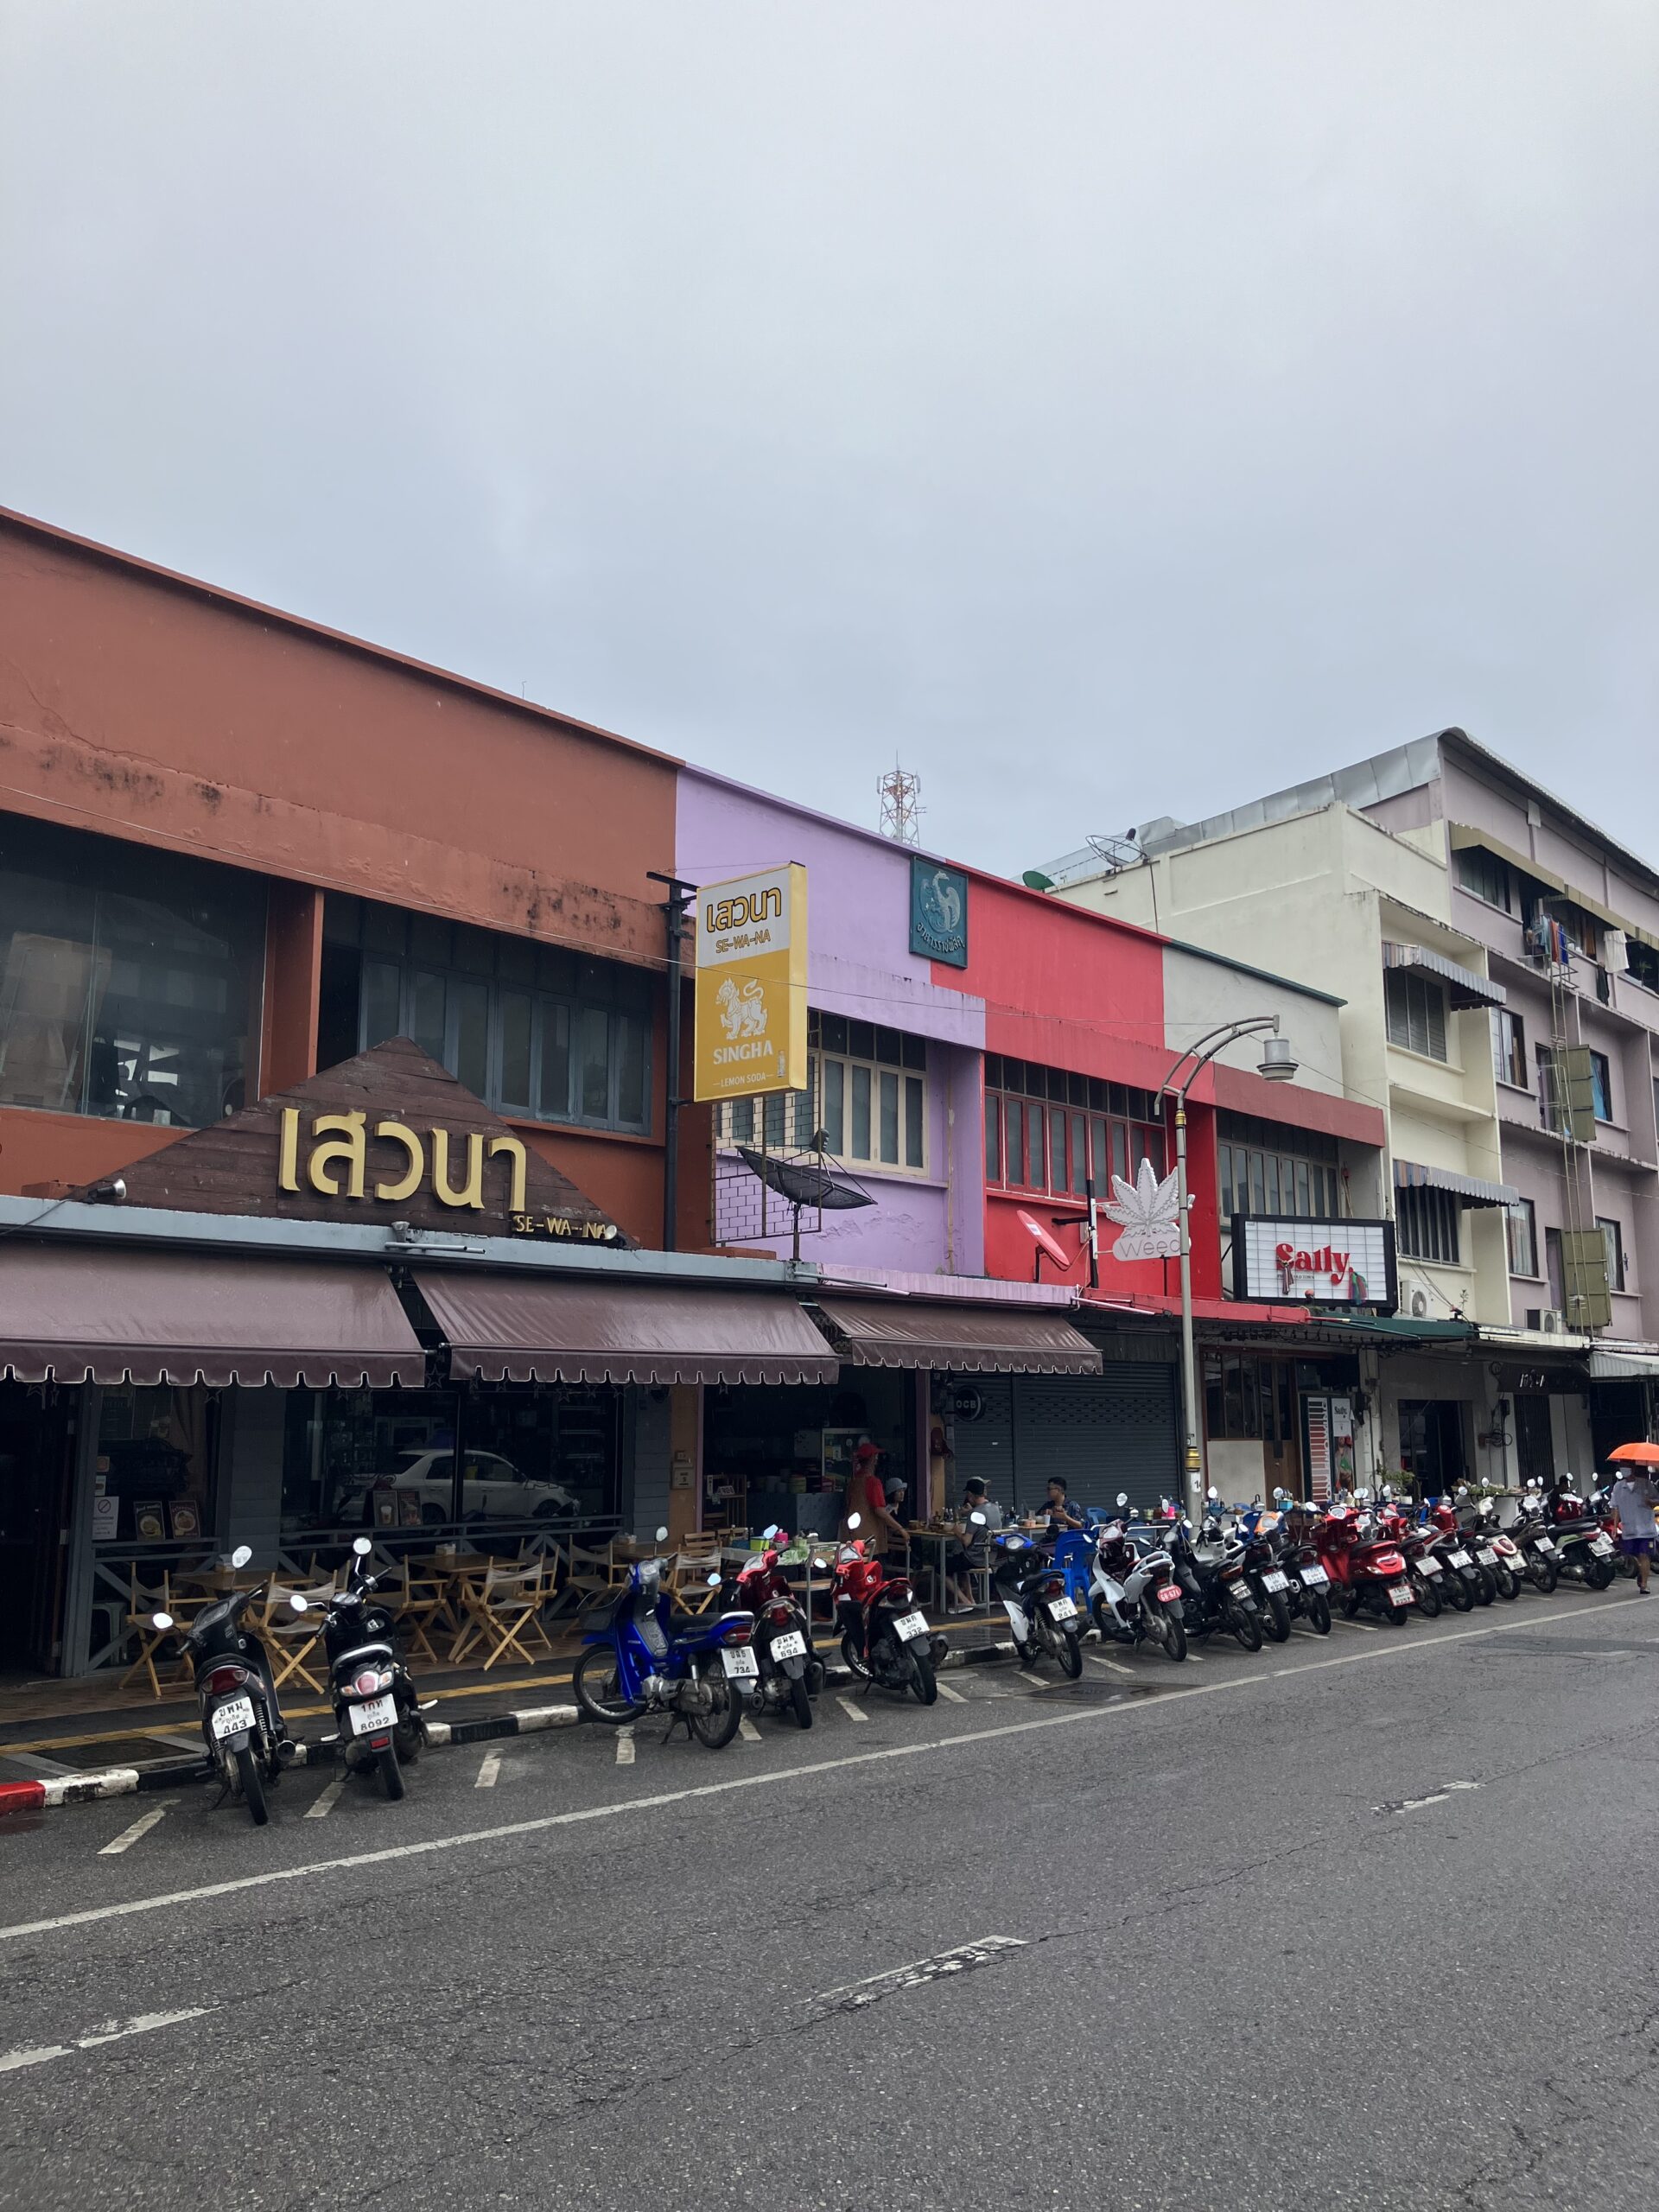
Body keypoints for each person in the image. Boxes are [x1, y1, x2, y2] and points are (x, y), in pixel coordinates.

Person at [942, 1477, 1002, 1611]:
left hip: (976, 1558)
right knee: (960, 1562)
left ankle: (964, 1602)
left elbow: (966, 1541)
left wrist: (956, 1531)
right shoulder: (995, 1508)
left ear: (970, 1495)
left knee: (941, 1568)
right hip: (992, 1556)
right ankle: (971, 1599)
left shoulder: (975, 1513)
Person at [839, 1440, 907, 1553]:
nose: (877, 1459)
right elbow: (879, 1510)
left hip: (850, 1533)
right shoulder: (873, 1482)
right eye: (875, 1456)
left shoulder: (853, 1482)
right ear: (873, 1459)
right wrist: (900, 1528)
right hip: (869, 1535)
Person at [1610, 1464, 1659, 1593]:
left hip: (1645, 1528)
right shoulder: (1618, 1487)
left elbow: (1657, 1500)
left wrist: (1651, 1503)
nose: (1623, 1469)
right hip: (1629, 1528)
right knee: (1632, 1554)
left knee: (1644, 1554)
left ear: (1632, 1468)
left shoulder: (1646, 1484)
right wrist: (1614, 1527)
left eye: (1626, 1465)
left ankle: (1644, 1585)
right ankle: (1643, 1571)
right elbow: (1615, 1508)